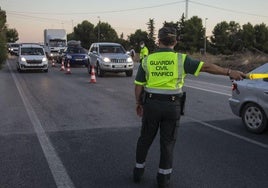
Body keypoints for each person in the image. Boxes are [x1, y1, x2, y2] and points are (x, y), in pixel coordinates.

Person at [133, 26, 246, 188]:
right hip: (172, 106)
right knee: (167, 142)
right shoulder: (182, 59)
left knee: (145, 138)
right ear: (175, 41)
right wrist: (229, 71)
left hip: (151, 105)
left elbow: (138, 86)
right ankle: (163, 179)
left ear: (158, 41)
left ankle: (138, 171)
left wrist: (138, 103)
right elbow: (206, 67)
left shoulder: (147, 60)